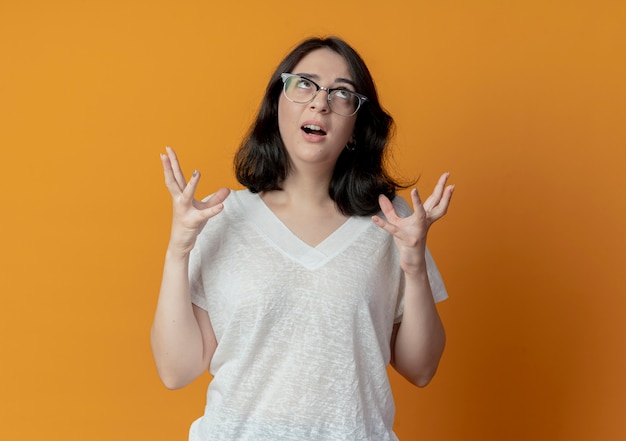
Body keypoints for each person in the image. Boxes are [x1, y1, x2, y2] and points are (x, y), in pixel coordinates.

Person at [151, 36, 454, 441]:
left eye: (342, 93)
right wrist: (179, 249)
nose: (320, 102)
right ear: (277, 105)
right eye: (304, 84)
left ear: (355, 129)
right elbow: (176, 370)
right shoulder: (222, 219)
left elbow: (421, 369)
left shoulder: (392, 222)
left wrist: (414, 265)